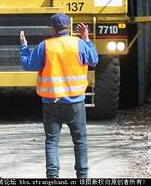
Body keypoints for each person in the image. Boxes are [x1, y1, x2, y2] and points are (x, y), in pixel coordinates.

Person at [19, 13, 99, 179]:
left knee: (52, 141)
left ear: (53, 28)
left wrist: (24, 46)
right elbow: (94, 60)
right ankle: (82, 176)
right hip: (75, 103)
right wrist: (87, 39)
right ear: (68, 27)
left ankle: (52, 176)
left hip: (52, 102)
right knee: (80, 141)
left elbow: (28, 65)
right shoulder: (79, 44)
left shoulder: (45, 46)